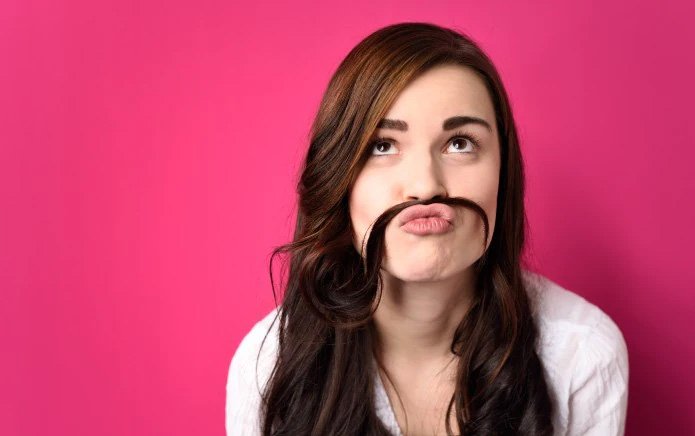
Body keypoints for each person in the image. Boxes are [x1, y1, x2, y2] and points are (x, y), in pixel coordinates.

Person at [226, 22, 629, 436]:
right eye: (382, 146)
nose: (425, 186)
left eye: (460, 143)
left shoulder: (582, 356)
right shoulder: (267, 368)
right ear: (338, 179)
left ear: (504, 174)